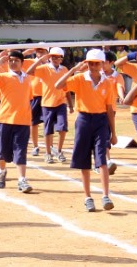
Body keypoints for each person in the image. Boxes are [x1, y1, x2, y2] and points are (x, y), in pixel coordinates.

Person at [56, 49, 118, 212]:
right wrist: (73, 70)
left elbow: (109, 109)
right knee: (84, 160)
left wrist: (114, 133)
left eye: (97, 63)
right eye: (90, 63)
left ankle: (106, 195)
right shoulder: (79, 79)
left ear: (103, 64)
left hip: (101, 121)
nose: (93, 66)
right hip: (83, 119)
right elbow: (58, 85)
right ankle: (88, 197)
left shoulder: (107, 83)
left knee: (102, 158)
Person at [0, 49, 35, 193]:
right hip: (5, 119)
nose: (13, 63)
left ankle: (22, 179)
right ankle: (2, 172)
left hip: (23, 121)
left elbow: (29, 98)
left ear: (22, 63)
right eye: (10, 60)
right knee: (2, 150)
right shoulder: (4, 76)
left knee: (20, 150)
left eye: (16, 60)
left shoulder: (28, 79)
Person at [32, 47, 70, 163]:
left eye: (57, 57)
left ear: (61, 59)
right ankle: (48, 153)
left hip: (61, 102)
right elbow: (29, 71)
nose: (54, 59)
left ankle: (59, 150)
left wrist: (71, 104)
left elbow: (66, 87)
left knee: (62, 127)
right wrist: (40, 60)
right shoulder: (44, 68)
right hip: (47, 103)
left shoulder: (64, 70)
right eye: (52, 56)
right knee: (48, 130)